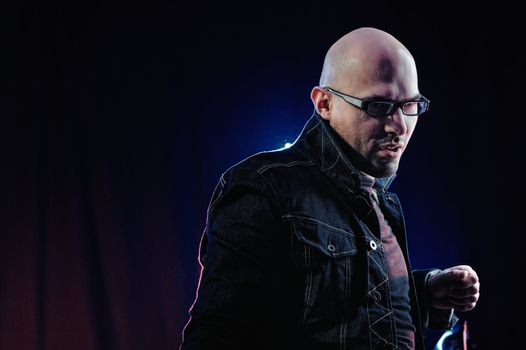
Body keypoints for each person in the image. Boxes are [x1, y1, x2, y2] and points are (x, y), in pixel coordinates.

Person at [180, 27, 480, 350]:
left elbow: (342, 312)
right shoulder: (264, 187)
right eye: (378, 106)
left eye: (410, 105)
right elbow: (217, 337)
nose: (400, 126)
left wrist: (424, 293)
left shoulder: (379, 200)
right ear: (324, 103)